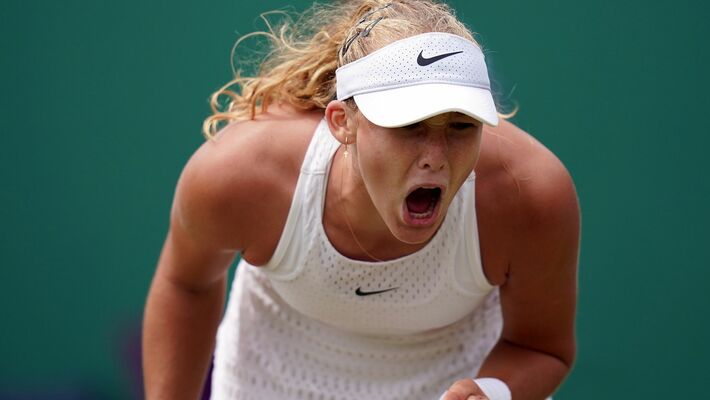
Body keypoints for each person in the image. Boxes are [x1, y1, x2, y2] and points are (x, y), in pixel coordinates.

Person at [142, 1, 580, 399]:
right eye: (409, 126)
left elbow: (541, 348)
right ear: (342, 122)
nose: (435, 158)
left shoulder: (530, 196)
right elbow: (188, 283)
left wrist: (493, 392)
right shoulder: (241, 175)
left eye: (461, 127)